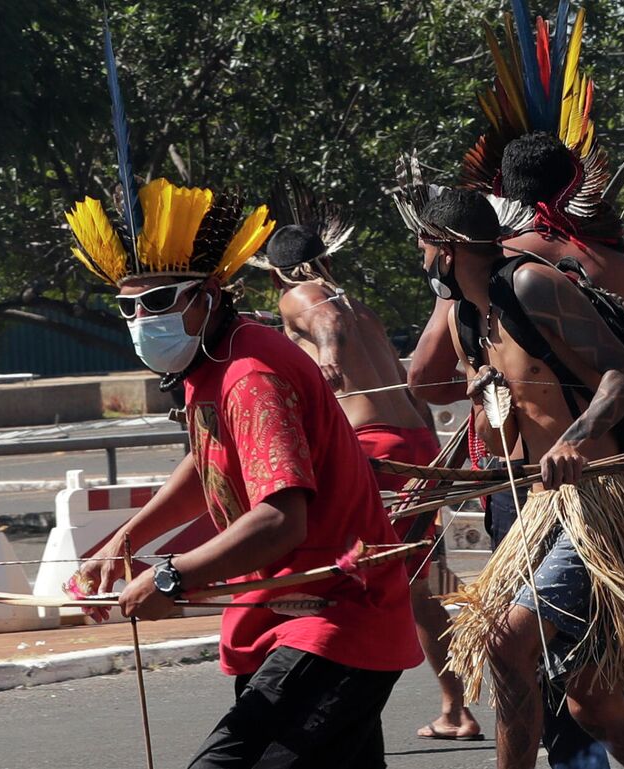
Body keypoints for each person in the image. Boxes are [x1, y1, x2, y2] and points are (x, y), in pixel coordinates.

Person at [67, 179, 421, 769]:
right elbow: (211, 461)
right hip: (287, 618)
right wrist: (128, 539)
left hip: (328, 619)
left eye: (157, 303)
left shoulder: (249, 374)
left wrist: (171, 578)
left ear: (207, 295)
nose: (140, 320)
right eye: (127, 308)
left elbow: (280, 521)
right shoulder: (213, 359)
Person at [411, 187, 624, 769]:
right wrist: (485, 402)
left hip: (598, 504)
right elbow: (503, 440)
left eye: (425, 245)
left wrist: (573, 439)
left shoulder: (532, 285)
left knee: (507, 645)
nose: (422, 258)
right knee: (592, 701)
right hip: (536, 511)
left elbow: (623, 373)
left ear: (449, 250)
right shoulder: (465, 320)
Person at [261, 223, 482, 741]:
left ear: (273, 274)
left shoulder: (302, 296)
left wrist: (329, 354)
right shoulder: (360, 306)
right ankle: (455, 709)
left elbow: (323, 318)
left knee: (344, 580)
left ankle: (343, 715)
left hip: (375, 452)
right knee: (414, 586)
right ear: (329, 260)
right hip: (414, 446)